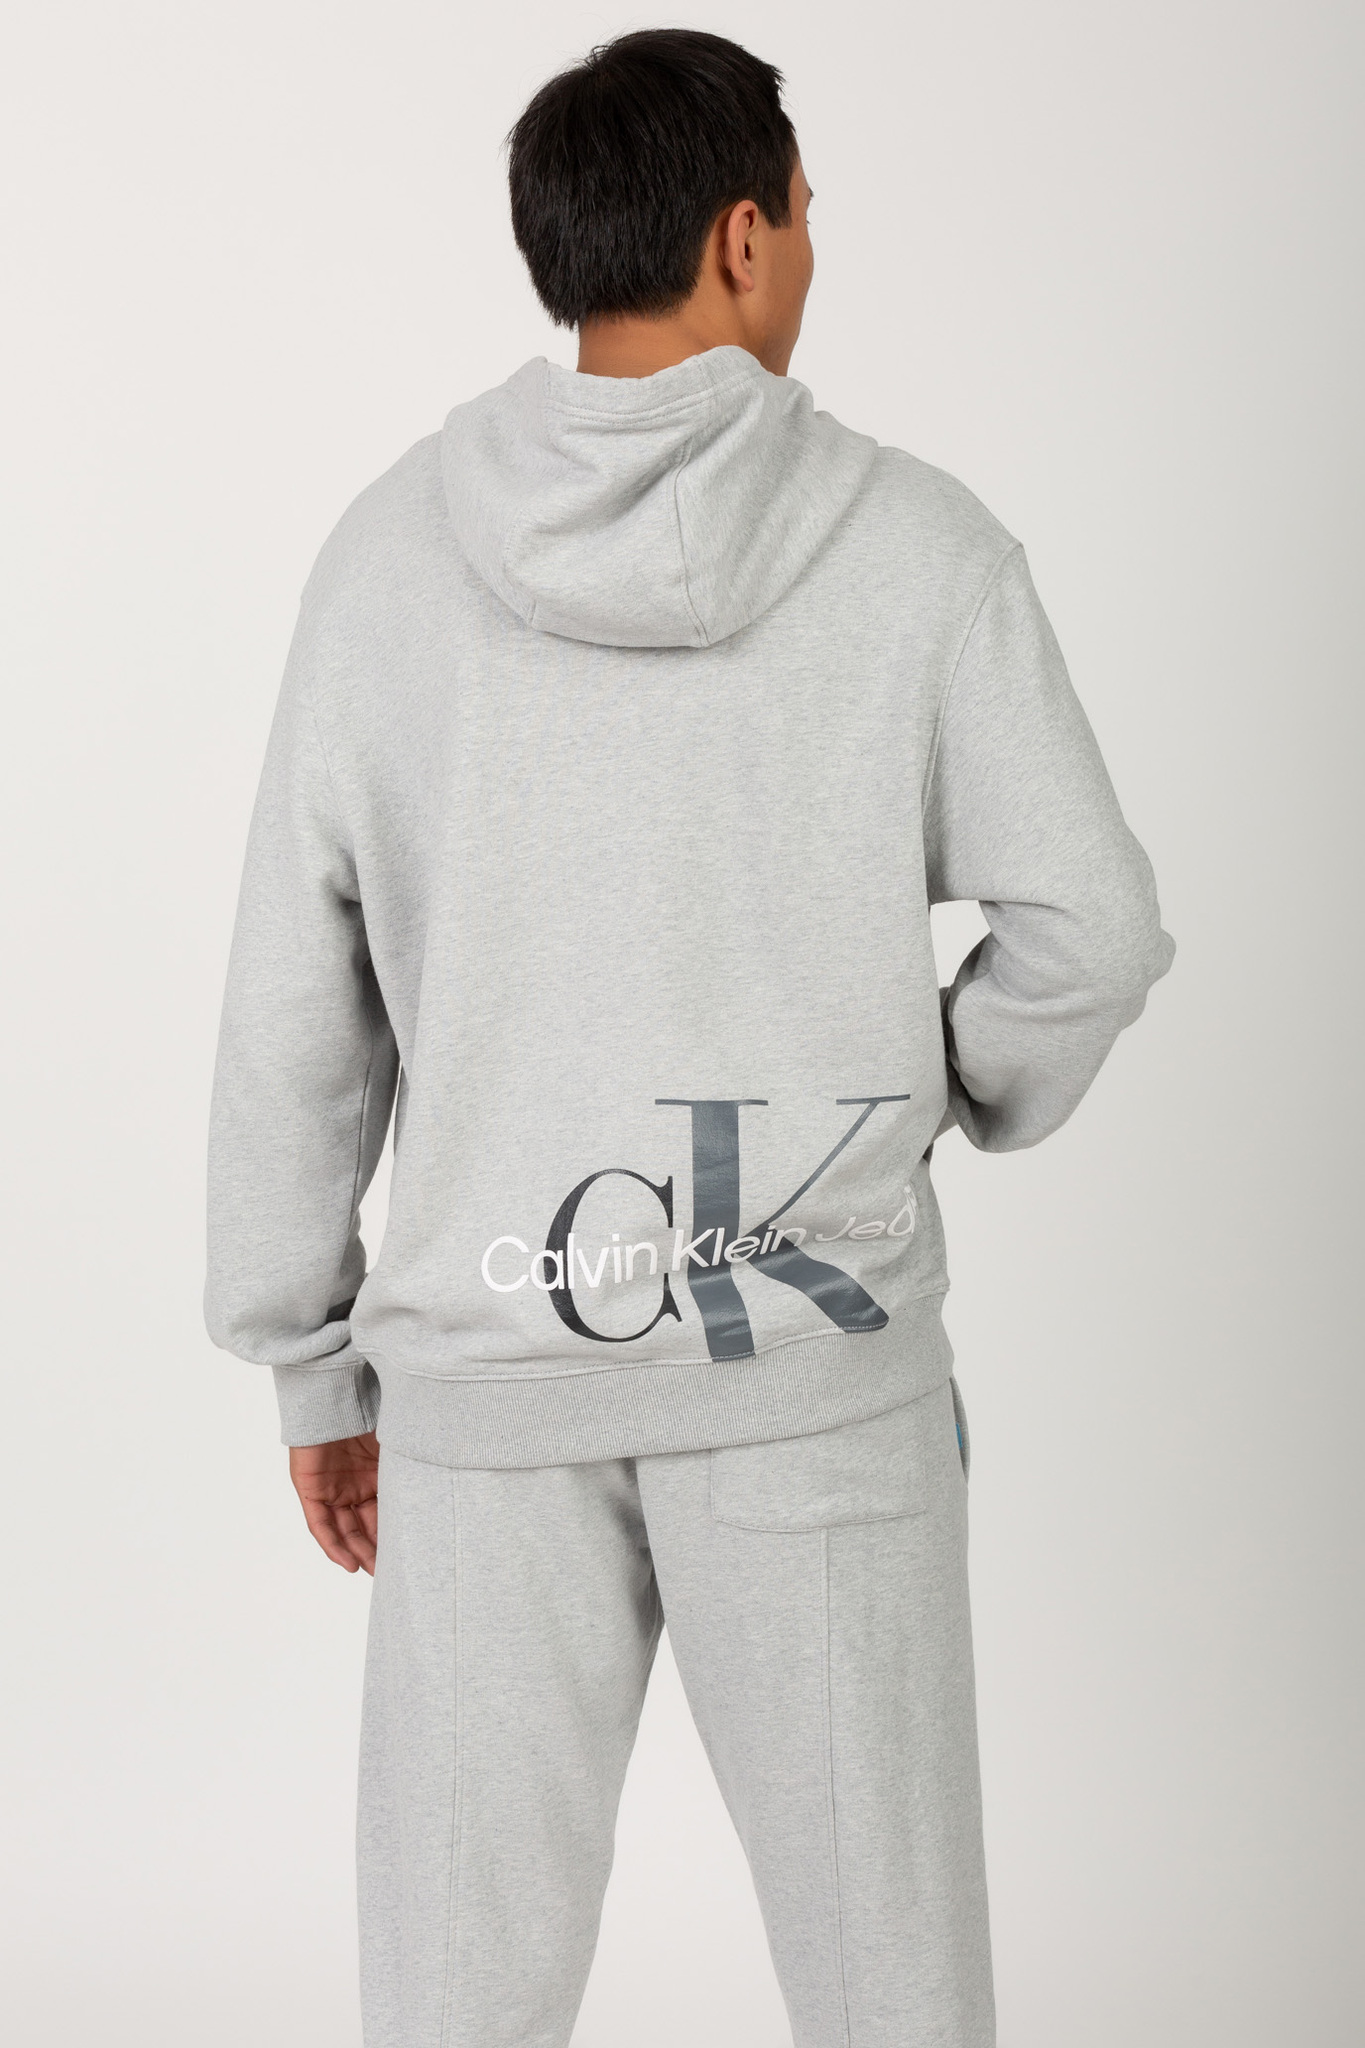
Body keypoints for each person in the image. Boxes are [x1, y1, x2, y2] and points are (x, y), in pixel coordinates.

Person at [206, 27, 1173, 2048]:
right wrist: (935, 1088)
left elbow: (297, 1004)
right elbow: (1087, 929)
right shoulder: (919, 551)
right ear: (741, 237)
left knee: (451, 2004)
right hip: (811, 1367)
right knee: (892, 1990)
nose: (811, 247)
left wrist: (310, 1362)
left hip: (482, 1387)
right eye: (804, 212)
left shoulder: (384, 562)